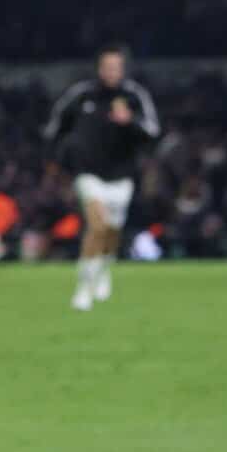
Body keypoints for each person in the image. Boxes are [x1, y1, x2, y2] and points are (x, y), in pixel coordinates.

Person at [42, 45, 160, 310]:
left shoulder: (133, 96)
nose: (111, 72)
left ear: (123, 70)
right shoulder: (82, 95)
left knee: (111, 232)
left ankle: (104, 268)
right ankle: (83, 289)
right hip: (88, 173)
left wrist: (129, 120)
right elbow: (55, 126)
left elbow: (153, 131)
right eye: (107, 67)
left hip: (121, 177)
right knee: (97, 227)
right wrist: (54, 160)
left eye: (116, 68)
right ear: (99, 68)